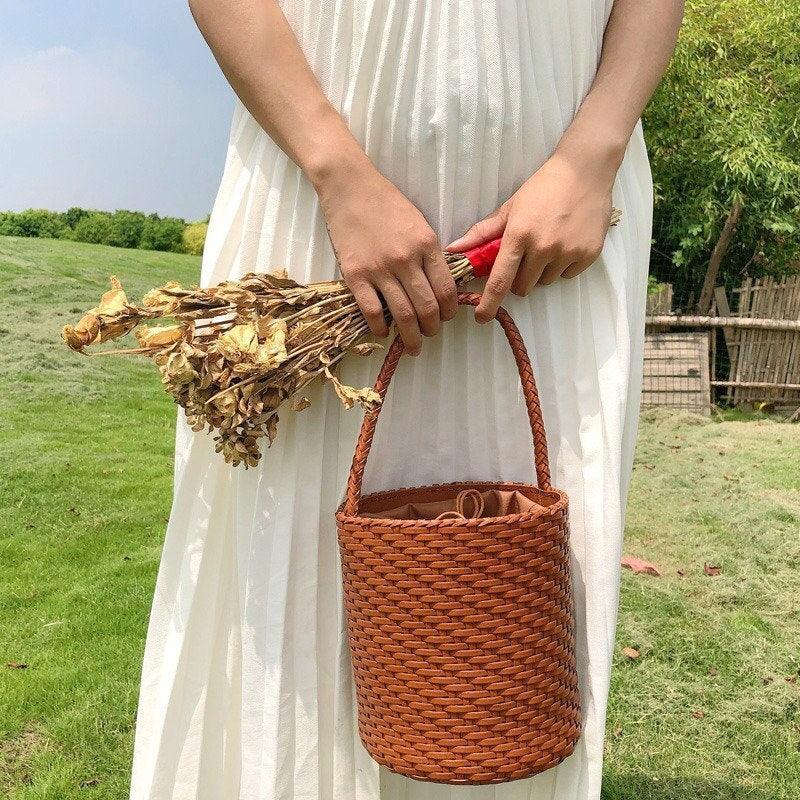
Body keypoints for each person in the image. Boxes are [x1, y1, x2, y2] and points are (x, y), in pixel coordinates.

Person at [129, 1, 684, 798]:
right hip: (313, 192)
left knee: (517, 619)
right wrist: (337, 172)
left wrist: (593, 154)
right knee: (282, 590)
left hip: (559, 218)